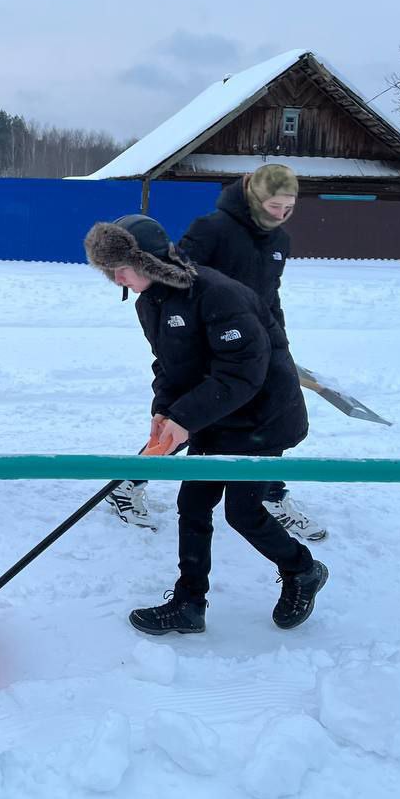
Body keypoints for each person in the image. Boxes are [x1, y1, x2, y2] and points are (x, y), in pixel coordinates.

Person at [85, 215, 327, 635]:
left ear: (148, 260)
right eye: (108, 270)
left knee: (243, 512)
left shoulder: (218, 295)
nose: (115, 277)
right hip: (216, 416)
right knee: (193, 505)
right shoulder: (151, 303)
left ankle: (302, 570)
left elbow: (243, 373)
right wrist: (164, 410)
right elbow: (170, 365)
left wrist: (184, 417)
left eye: (120, 266)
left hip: (261, 417)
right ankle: (188, 603)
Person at [178, 163, 325, 542]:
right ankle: (132, 480)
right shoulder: (211, 229)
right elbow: (179, 286)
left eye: (288, 208)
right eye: (275, 206)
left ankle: (272, 494)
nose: (281, 215)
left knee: (271, 417)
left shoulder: (280, 241)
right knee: (190, 418)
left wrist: (281, 349)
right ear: (255, 197)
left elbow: (270, 298)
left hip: (260, 346)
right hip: (214, 347)